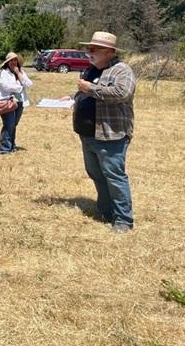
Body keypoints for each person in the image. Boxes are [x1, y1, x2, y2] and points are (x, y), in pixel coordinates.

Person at [72, 31, 136, 233]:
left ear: (109, 51)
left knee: (114, 176)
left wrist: (90, 88)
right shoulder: (91, 70)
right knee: (96, 174)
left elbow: (122, 93)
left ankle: (123, 220)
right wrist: (72, 97)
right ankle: (106, 211)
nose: (88, 52)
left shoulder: (122, 70)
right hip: (88, 134)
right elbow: (84, 93)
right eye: (87, 48)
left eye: (94, 49)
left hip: (110, 135)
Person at [0, 52, 33, 154]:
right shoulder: (2, 73)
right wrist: (20, 87)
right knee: (9, 124)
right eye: (11, 60)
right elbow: (6, 87)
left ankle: (12, 145)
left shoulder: (20, 72)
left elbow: (29, 84)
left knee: (13, 125)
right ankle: (5, 148)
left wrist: (19, 74)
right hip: (7, 101)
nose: (13, 62)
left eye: (15, 60)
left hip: (20, 102)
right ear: (7, 62)